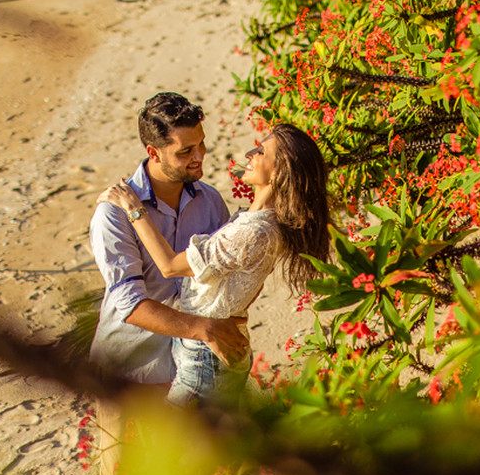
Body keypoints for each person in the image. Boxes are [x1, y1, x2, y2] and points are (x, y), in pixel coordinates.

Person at [98, 123, 331, 406]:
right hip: (205, 350)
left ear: (279, 171)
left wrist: (133, 208)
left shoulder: (252, 231)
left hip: (204, 359)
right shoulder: (255, 222)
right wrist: (226, 311)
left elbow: (170, 266)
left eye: (261, 151)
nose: (250, 153)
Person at [89, 92, 250, 387]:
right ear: (154, 153)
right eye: (185, 151)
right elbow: (130, 304)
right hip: (129, 369)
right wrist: (206, 329)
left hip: (191, 365)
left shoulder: (211, 201)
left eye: (201, 144)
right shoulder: (113, 213)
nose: (199, 156)